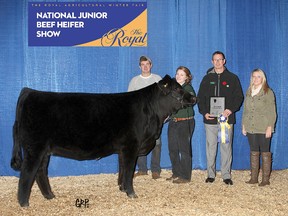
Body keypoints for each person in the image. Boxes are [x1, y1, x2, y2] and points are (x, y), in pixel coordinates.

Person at [197, 51, 244, 185]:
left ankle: (226, 175)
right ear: (212, 62)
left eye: (220, 59)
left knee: (226, 147)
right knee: (210, 147)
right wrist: (204, 112)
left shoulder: (233, 78)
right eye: (215, 60)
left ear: (224, 61)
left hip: (226, 120)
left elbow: (239, 97)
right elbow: (200, 98)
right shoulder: (206, 79)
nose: (217, 62)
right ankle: (210, 174)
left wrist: (230, 110)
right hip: (210, 119)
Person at [128, 55, 162, 180]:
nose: (145, 66)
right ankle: (142, 169)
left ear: (151, 65)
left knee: (156, 143)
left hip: (155, 117)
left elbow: (162, 98)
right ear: (139, 66)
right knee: (140, 142)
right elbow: (130, 100)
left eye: (147, 64)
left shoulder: (157, 79)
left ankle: (156, 170)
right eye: (143, 64)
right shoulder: (134, 81)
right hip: (140, 118)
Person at [242, 68, 277, 186]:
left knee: (265, 152)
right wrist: (244, 125)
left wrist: (270, 127)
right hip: (250, 127)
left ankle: (265, 179)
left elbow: (272, 111)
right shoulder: (248, 91)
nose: (255, 79)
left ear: (263, 78)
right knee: (254, 152)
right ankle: (254, 178)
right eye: (253, 76)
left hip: (263, 127)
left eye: (258, 76)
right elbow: (245, 111)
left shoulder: (268, 92)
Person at [166, 66, 196, 184]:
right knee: (172, 149)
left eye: (182, 74)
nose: (178, 76)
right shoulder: (172, 88)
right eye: (177, 74)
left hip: (185, 121)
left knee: (184, 149)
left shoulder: (188, 88)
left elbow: (192, 101)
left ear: (187, 77)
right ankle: (176, 172)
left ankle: (185, 176)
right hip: (173, 121)